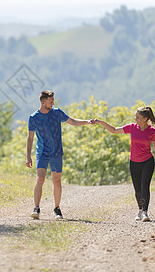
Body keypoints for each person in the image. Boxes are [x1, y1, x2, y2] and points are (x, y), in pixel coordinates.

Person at [92, 106, 155, 222]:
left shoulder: (152, 131)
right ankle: (140, 210)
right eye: (135, 116)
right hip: (134, 162)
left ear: (145, 118)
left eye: (138, 117)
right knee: (137, 189)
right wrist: (101, 122)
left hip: (147, 161)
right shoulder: (132, 127)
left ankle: (145, 212)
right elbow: (114, 130)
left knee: (144, 186)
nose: (135, 118)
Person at [26, 90, 92, 220]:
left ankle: (57, 208)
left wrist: (87, 122)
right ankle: (36, 208)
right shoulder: (34, 117)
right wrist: (28, 156)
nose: (53, 103)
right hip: (42, 152)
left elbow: (72, 121)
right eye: (51, 101)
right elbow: (30, 137)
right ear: (43, 102)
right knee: (40, 178)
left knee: (57, 181)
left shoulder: (57, 113)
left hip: (56, 152)